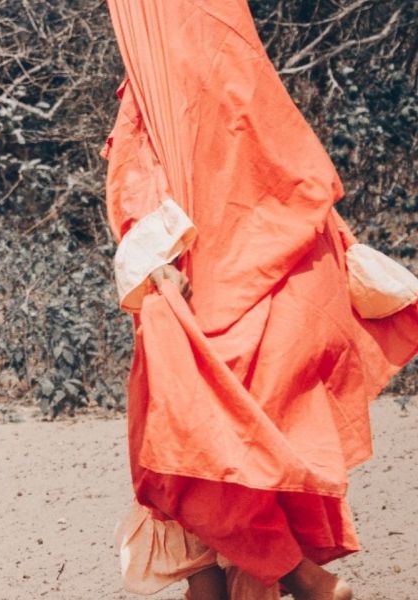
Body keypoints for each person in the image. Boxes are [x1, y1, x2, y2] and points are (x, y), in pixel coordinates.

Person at [101, 1, 418, 599]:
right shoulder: (231, 74)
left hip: (207, 296)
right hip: (264, 284)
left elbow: (135, 184)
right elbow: (287, 175)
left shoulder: (162, 91)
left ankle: (300, 576)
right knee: (232, 453)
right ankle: (299, 576)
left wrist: (157, 262)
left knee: (195, 455)